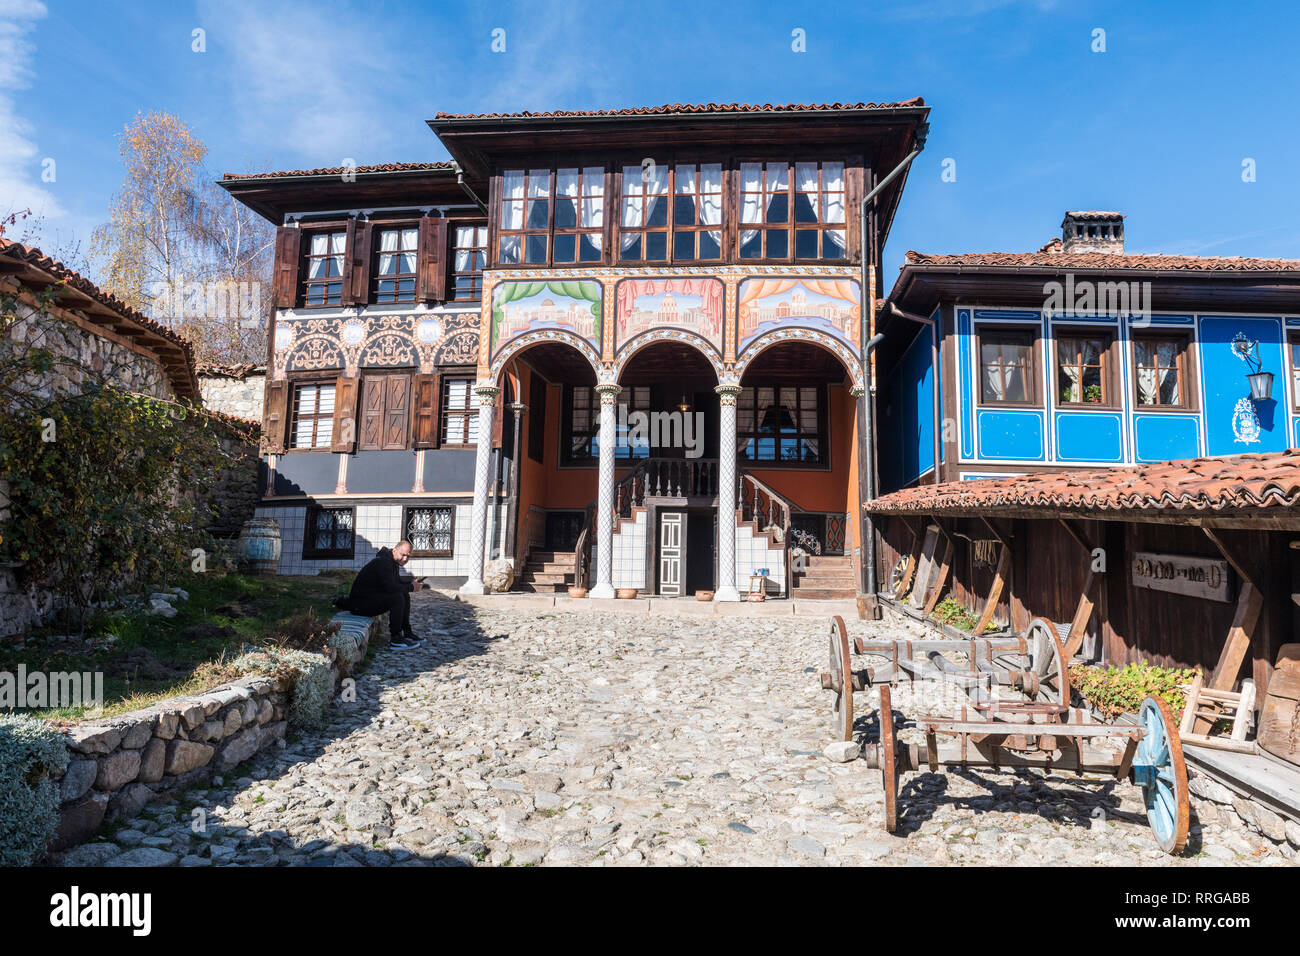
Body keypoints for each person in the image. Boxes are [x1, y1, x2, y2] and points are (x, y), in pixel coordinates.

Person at [335, 540, 427, 649]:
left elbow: (395, 583)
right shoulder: (383, 562)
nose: (405, 559)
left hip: (369, 600)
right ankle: (395, 639)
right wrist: (411, 587)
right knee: (397, 598)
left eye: (408, 556)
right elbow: (391, 587)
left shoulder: (392, 562)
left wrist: (411, 584)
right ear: (394, 551)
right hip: (360, 605)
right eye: (403, 555)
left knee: (404, 594)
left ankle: (407, 633)